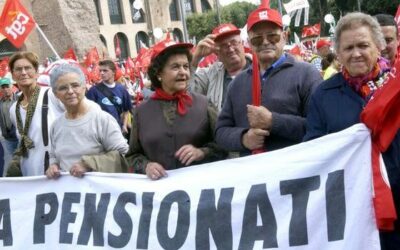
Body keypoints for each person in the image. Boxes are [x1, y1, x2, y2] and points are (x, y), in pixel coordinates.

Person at [303, 12, 400, 249]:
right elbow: (314, 149)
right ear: (338, 53)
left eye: (363, 45)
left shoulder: (396, 87)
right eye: (348, 48)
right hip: (352, 206)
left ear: (378, 47)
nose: (356, 53)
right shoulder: (322, 95)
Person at [215, 6, 322, 156]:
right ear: (250, 43)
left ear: (284, 37)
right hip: (253, 175)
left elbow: (319, 125)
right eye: (257, 39)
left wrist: (274, 121)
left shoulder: (306, 74)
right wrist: (244, 138)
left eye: (273, 36)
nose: (265, 42)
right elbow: (220, 132)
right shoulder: (237, 83)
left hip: (295, 172)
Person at [125, 39, 227, 180]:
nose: (183, 72)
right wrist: (146, 166)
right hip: (161, 194)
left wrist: (202, 152)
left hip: (201, 188)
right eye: (175, 67)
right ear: (158, 73)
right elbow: (132, 155)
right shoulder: (141, 111)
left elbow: (223, 144)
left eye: (186, 66)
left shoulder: (205, 104)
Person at [45, 64, 129, 179]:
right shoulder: (56, 125)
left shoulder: (102, 120)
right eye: (63, 88)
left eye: (75, 85)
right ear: (55, 94)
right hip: (68, 194)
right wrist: (53, 165)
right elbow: (54, 155)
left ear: (84, 87)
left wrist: (90, 164)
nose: (70, 91)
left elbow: (124, 155)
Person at [7, 52, 64, 177]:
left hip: (56, 172)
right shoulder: (14, 109)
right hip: (30, 173)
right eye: (18, 69)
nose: (23, 72)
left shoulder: (52, 95)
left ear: (37, 72)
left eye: (27, 68)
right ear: (13, 75)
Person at [190, 23, 251, 112]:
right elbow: (187, 94)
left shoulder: (261, 68)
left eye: (234, 42)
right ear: (216, 53)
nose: (230, 49)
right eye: (224, 45)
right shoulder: (209, 75)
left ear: (242, 43)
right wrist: (196, 57)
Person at [86, 59, 132, 134]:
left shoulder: (122, 89)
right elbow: (88, 113)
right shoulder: (93, 91)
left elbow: (126, 110)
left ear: (113, 72)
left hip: (118, 130)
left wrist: (124, 125)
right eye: (100, 71)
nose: (102, 73)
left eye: (105, 70)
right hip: (101, 132)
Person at [0, 77, 18, 176]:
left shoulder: (19, 99)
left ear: (11, 87)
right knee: (11, 161)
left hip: (19, 137)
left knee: (23, 160)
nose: (5, 89)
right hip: (7, 138)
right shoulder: (0, 103)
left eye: (7, 86)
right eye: (3, 87)